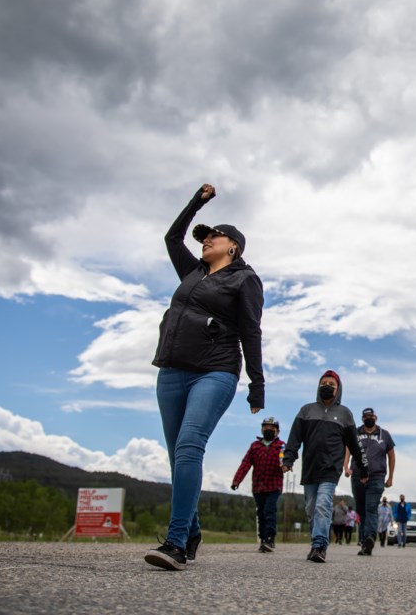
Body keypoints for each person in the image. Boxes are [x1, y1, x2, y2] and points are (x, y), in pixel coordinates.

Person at [144, 183, 264, 571]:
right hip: (172, 371)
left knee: (190, 446)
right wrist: (197, 202)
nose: (206, 239)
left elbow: (251, 331)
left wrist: (256, 384)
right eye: (205, 236)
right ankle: (192, 530)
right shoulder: (193, 272)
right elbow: (171, 236)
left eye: (215, 235)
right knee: (176, 456)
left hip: (215, 371)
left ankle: (176, 542)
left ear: (234, 246)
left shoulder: (244, 280)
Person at [282, 370, 369, 563]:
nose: (327, 386)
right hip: (310, 468)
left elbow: (354, 445)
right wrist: (288, 459)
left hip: (331, 469)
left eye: (332, 384)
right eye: (324, 383)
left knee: (323, 504)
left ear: (338, 389)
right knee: (311, 508)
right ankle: (317, 539)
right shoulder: (306, 410)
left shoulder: (345, 414)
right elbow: (294, 438)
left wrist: (363, 469)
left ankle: (319, 546)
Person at [344, 407, 396, 556]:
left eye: (371, 416)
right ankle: (364, 542)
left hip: (376, 476)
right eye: (366, 416)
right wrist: (346, 467)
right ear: (362, 419)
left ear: (376, 418)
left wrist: (390, 477)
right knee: (361, 510)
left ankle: (369, 537)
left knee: (371, 507)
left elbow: (391, 455)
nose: (369, 418)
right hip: (357, 475)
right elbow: (348, 449)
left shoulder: (384, 435)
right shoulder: (355, 433)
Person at [231, 416, 285, 552]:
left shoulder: (281, 446)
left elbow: (285, 461)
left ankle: (270, 538)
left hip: (274, 485)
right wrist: (237, 480)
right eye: (266, 428)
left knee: (269, 510)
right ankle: (263, 538)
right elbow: (245, 464)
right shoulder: (255, 446)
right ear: (262, 430)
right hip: (258, 487)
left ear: (277, 432)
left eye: (272, 429)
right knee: (261, 512)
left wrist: (286, 465)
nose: (269, 430)